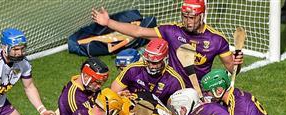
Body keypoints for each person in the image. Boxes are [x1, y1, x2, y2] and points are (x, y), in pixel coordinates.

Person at [91, 0, 244, 85]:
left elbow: (233, 70)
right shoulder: (172, 31)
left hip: (199, 90)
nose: (188, 22)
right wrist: (108, 22)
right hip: (170, 86)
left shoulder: (217, 39)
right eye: (184, 17)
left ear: (202, 16)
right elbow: (139, 32)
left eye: (192, 18)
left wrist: (237, 63)